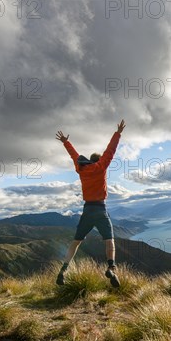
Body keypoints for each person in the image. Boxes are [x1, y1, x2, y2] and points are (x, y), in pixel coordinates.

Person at [54, 119, 126, 287]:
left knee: (76, 242)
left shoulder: (81, 169)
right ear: (99, 160)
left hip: (87, 210)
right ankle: (111, 268)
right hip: (100, 209)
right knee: (109, 240)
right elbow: (110, 151)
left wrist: (66, 141)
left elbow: (73, 154)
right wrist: (118, 133)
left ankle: (64, 270)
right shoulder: (101, 167)